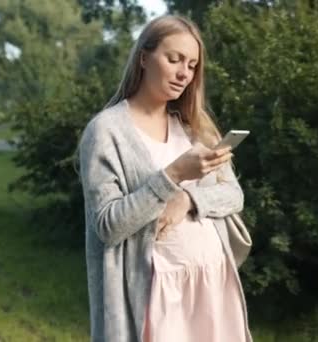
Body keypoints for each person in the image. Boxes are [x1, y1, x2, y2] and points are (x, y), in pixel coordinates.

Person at [77, 15, 252, 342]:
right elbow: (108, 226)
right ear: (144, 58)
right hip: (159, 296)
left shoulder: (194, 126)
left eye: (192, 65)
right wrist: (173, 176)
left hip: (213, 285)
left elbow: (233, 194)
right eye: (174, 59)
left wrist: (188, 199)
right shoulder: (105, 132)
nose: (184, 72)